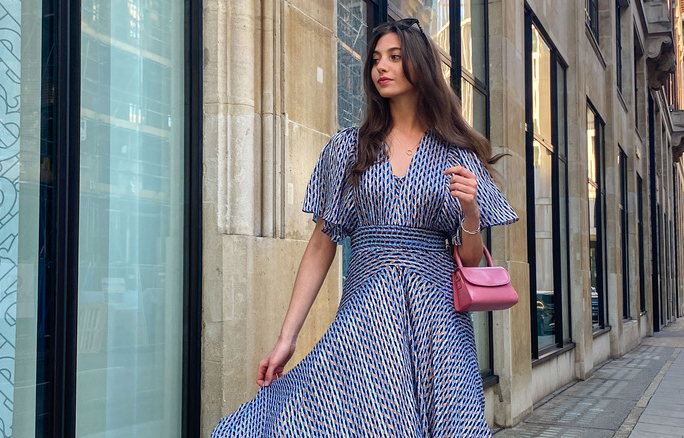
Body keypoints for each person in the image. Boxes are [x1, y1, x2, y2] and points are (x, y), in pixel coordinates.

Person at [212, 17, 518, 437]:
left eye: (394, 57)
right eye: (375, 59)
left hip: (437, 325)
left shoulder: (457, 152)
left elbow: (468, 259)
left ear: (420, 66)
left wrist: (469, 213)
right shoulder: (349, 148)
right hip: (367, 317)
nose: (381, 67)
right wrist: (288, 337)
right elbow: (322, 244)